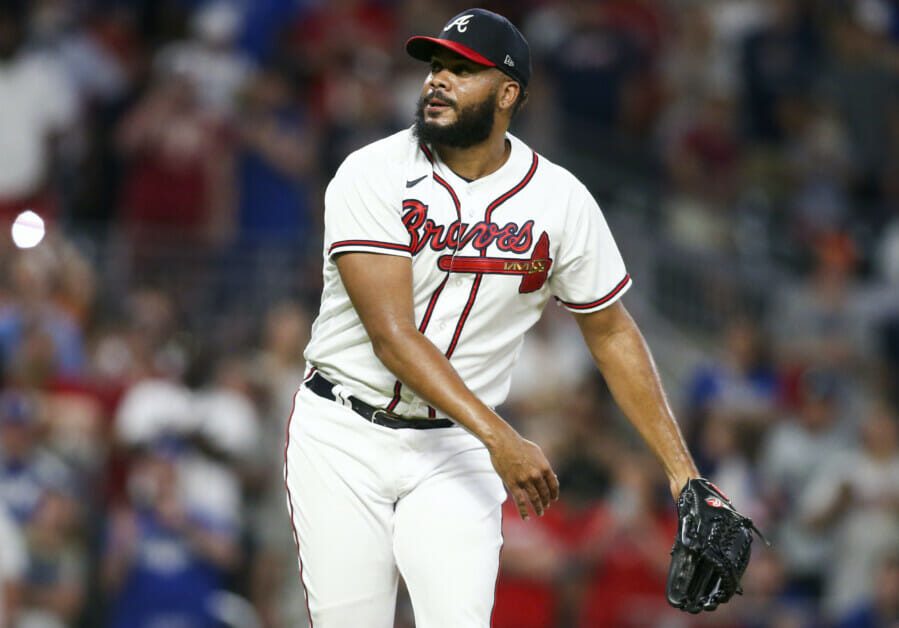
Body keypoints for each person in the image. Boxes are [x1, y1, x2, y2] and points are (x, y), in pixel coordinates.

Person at [284, 9, 700, 627]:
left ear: (507, 94)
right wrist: (502, 438)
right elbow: (393, 338)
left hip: (456, 446)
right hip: (346, 432)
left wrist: (683, 475)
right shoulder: (372, 172)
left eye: (462, 70)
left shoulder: (559, 199)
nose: (438, 80)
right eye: (436, 66)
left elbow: (611, 331)